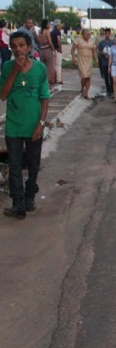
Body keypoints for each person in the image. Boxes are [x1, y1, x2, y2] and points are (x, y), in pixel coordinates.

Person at [0, 31, 50, 219]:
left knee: (33, 165)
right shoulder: (6, 67)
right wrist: (14, 71)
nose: (18, 49)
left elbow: (44, 97)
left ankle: (29, 197)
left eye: (22, 45)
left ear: (29, 47)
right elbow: (3, 94)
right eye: (14, 46)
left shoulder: (39, 69)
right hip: (13, 126)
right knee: (14, 165)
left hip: (34, 126)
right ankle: (17, 203)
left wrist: (42, 123)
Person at [71, 28, 98, 100]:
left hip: (89, 60)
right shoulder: (78, 40)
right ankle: (82, 88)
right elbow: (72, 49)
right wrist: (73, 57)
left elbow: (94, 51)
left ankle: (86, 93)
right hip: (81, 60)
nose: (88, 36)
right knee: (84, 75)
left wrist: (96, 60)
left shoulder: (91, 41)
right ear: (83, 34)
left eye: (89, 35)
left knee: (88, 76)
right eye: (87, 35)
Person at [38, 20, 56, 88]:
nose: (49, 25)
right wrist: (53, 49)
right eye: (48, 24)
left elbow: (39, 41)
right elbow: (50, 42)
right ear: (46, 24)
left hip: (41, 50)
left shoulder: (40, 31)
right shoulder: (47, 31)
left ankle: (42, 81)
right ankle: (48, 82)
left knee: (43, 67)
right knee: (49, 67)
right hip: (47, 49)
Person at [97, 28, 114, 98]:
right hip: (104, 62)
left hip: (112, 63)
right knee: (106, 77)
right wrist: (104, 54)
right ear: (104, 34)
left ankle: (112, 90)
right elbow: (99, 51)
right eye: (106, 34)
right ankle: (108, 90)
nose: (107, 35)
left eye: (108, 34)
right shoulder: (101, 43)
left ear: (110, 34)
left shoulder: (112, 42)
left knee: (112, 77)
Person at [51, 19, 64, 84]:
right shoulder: (58, 32)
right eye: (60, 24)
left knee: (54, 65)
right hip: (57, 50)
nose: (61, 25)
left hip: (52, 50)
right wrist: (60, 48)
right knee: (58, 65)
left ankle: (53, 79)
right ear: (58, 25)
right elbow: (58, 40)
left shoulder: (52, 32)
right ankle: (58, 79)